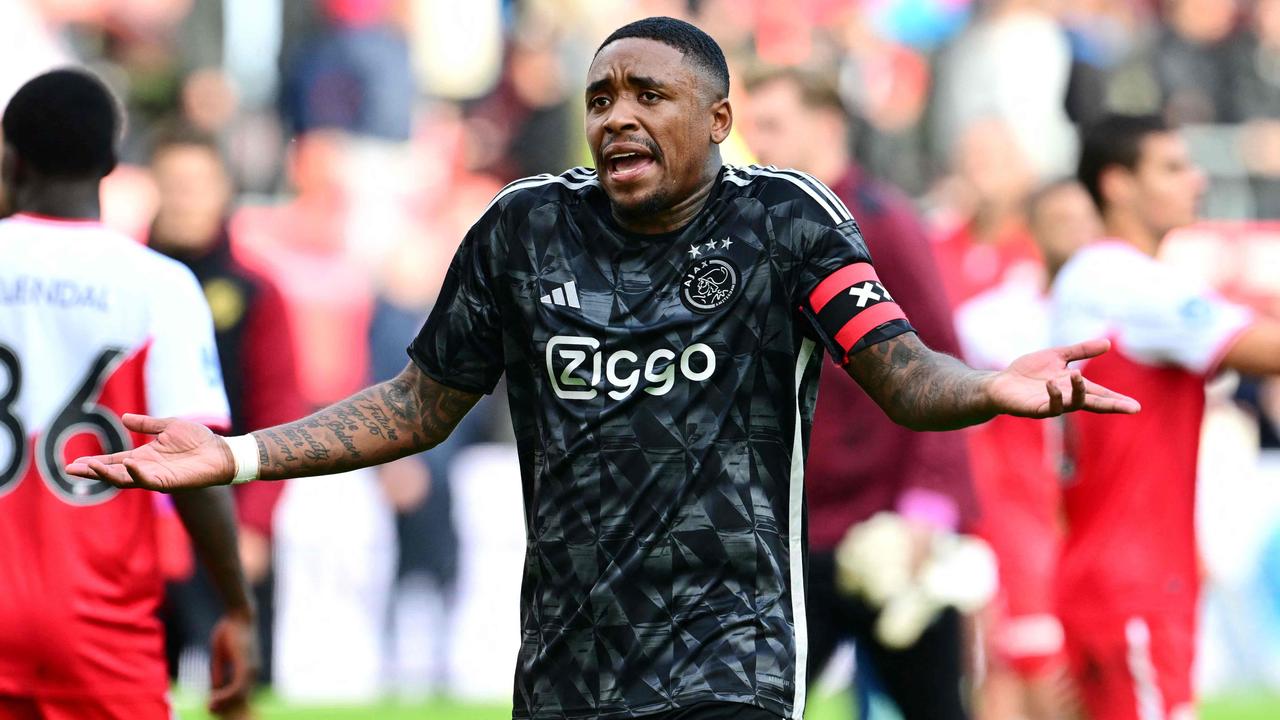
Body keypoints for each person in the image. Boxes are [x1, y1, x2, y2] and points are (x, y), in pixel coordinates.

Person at [71, 18, 1137, 720]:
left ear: (719, 121)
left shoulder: (782, 219)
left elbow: (899, 373)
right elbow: (417, 402)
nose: (616, 113)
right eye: (599, 96)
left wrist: (987, 387)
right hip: (568, 660)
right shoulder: (524, 229)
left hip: (735, 646)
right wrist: (241, 453)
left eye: (647, 94)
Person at [0, 70, 256, 720]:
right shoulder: (159, 286)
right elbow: (194, 465)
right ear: (114, 160)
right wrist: (236, 605)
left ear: (11, 153)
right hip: (98, 625)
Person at [741, 65, 976, 720]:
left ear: (827, 125)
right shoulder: (753, 227)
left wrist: (928, 506)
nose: (757, 143)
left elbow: (941, 359)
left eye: (772, 125)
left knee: (934, 706)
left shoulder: (881, 221)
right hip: (797, 528)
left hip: (888, 528)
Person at [1052, 114, 1280, 720]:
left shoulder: (1088, 278)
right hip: (1137, 579)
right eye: (1173, 168)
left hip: (1103, 567)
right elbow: (1267, 350)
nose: (1196, 181)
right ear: (1118, 184)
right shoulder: (1130, 283)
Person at [147, 122, 307, 687]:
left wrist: (257, 522)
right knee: (138, 686)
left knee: (240, 688)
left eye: (198, 183)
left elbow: (280, 410)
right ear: (154, 187)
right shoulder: (126, 282)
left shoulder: (256, 290)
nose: (186, 197)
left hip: (228, 517)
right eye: (174, 183)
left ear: (222, 190)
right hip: (139, 524)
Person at [953, 179, 1101, 720]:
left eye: (1085, 220)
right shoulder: (991, 321)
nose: (1076, 233)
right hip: (1019, 529)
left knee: (1089, 680)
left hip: (1096, 527)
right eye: (1061, 220)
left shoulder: (1122, 316)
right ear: (1032, 229)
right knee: (1024, 677)